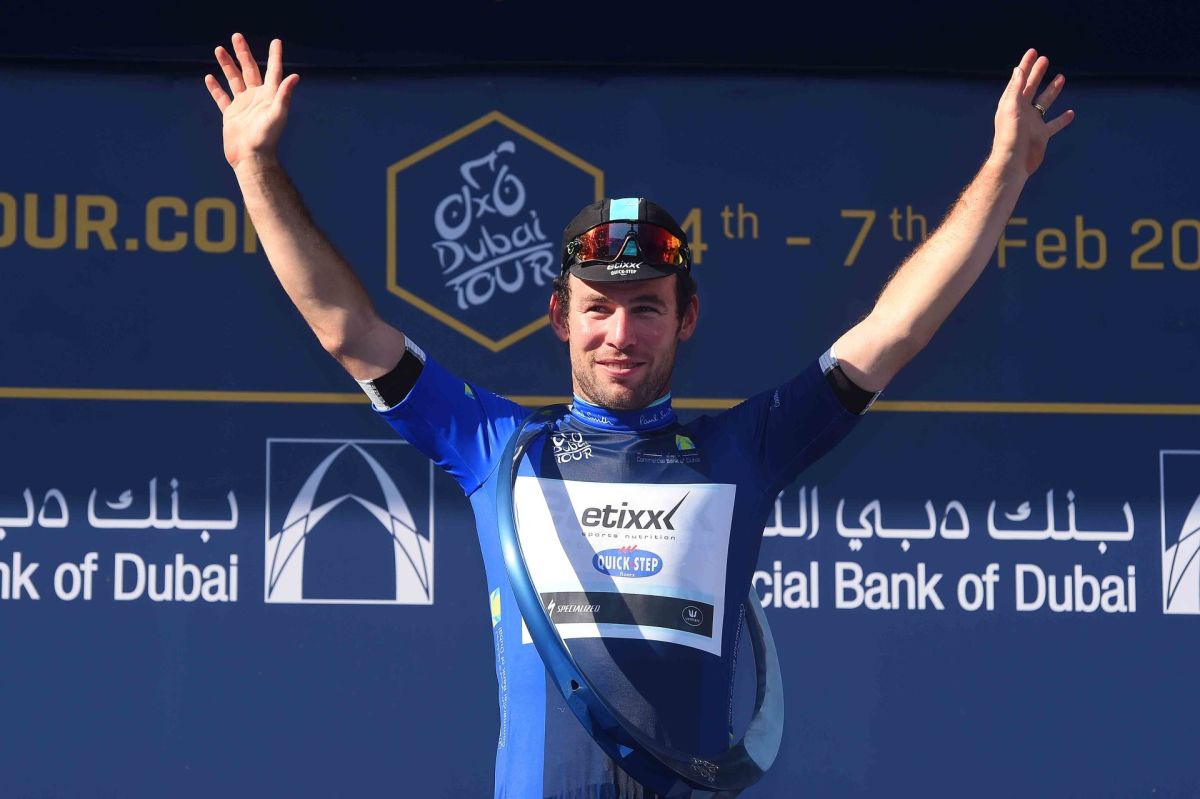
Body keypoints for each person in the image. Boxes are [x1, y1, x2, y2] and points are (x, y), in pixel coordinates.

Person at [204, 34, 1073, 798]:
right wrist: (254, 167)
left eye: (648, 308)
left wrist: (1006, 168)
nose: (621, 334)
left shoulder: (745, 450)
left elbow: (896, 330)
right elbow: (346, 329)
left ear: (686, 318)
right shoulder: (498, 446)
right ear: (560, 316)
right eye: (599, 307)